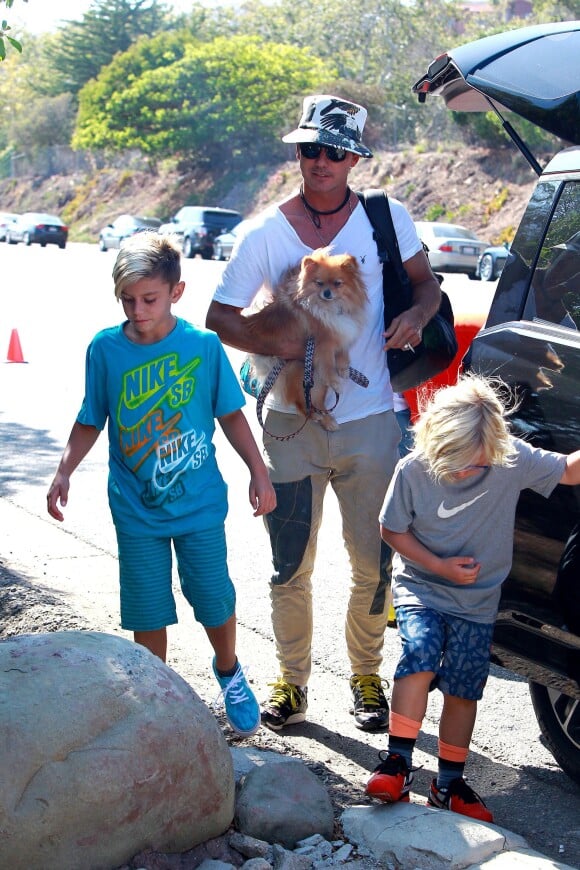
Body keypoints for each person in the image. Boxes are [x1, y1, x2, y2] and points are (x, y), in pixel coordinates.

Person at [206, 94, 441, 732]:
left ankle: (366, 678)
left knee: (374, 561)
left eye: (334, 150)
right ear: (299, 153)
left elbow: (428, 284)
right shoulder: (266, 233)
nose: (319, 161)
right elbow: (218, 317)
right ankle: (292, 682)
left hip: (371, 423)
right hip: (289, 425)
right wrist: (278, 341)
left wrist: (416, 317)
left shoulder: (386, 219)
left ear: (354, 157)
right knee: (291, 563)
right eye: (309, 148)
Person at [46, 232, 276, 738]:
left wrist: (259, 472)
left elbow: (231, 416)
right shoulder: (105, 349)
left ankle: (228, 668)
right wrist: (64, 469)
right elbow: (92, 417)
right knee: (147, 606)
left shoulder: (203, 346)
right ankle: (160, 697)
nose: (137, 309)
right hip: (136, 508)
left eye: (148, 298)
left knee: (213, 597)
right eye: (127, 300)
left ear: (177, 291)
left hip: (198, 504)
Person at [365, 374, 580, 820]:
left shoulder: (508, 459)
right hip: (423, 588)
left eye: (477, 464)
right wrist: (439, 566)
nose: (467, 472)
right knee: (420, 655)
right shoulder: (414, 469)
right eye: (458, 463)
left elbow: (568, 471)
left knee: (464, 688)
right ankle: (398, 763)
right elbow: (391, 529)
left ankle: (448, 784)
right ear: (437, 440)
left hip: (478, 604)